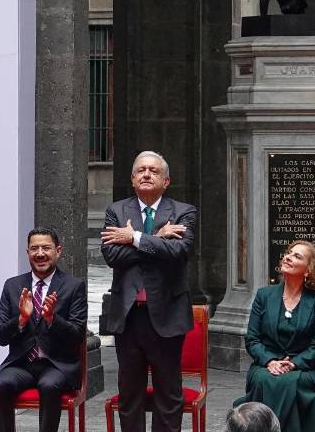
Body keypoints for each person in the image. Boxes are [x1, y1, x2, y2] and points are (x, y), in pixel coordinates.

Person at [100, 151, 197, 432]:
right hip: (128, 316)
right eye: (141, 170)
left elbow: (179, 252)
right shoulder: (116, 211)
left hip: (167, 314)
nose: (146, 174)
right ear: (132, 179)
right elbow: (111, 256)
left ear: (166, 181)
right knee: (130, 395)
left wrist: (133, 237)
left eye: (153, 171)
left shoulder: (183, 212)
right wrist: (156, 239)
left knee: (168, 394)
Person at [0, 227, 87, 432]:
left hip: (57, 365)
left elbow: (77, 336)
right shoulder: (13, 286)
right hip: (21, 364)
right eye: (34, 249)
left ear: (58, 251)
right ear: (27, 252)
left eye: (46, 248)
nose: (40, 254)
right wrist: (21, 319)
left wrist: (52, 319)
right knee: (0, 386)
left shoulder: (73, 286)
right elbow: (0, 337)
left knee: (49, 386)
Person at [233, 240, 315, 432]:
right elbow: (252, 339)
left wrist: (293, 364)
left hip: (303, 369)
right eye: (289, 253)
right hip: (265, 366)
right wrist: (270, 361)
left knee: (285, 381)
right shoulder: (264, 295)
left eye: (297, 256)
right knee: (264, 379)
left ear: (308, 270)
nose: (288, 257)